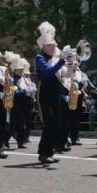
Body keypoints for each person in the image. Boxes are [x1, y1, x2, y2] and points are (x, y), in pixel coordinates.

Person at [35, 22, 67, 164]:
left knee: (57, 123)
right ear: (43, 47)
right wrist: (62, 60)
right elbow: (48, 72)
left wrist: (71, 66)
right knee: (48, 123)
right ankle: (43, 152)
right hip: (44, 93)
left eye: (54, 45)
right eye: (50, 46)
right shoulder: (39, 58)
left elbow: (64, 75)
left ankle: (51, 151)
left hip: (56, 93)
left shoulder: (55, 59)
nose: (53, 48)